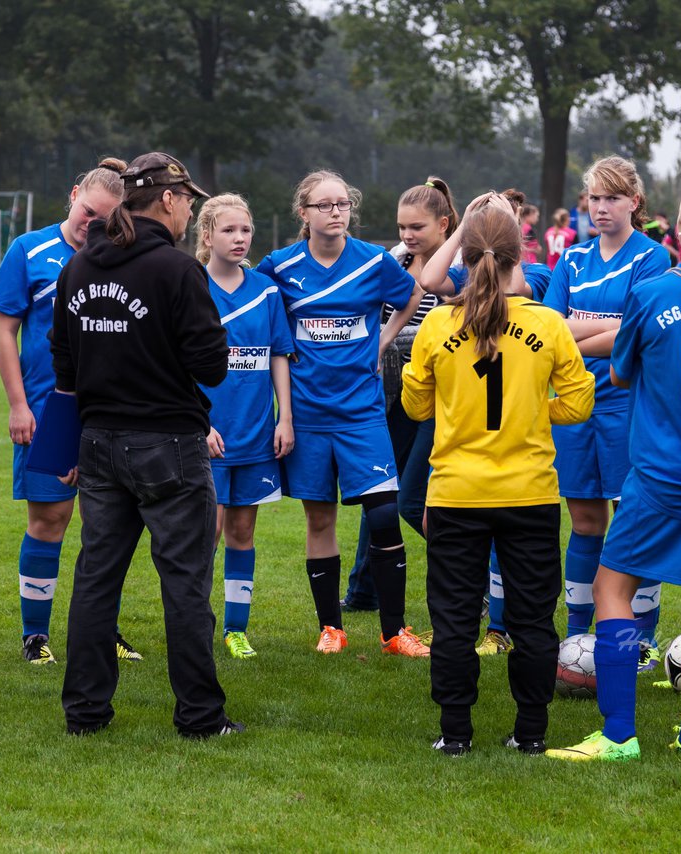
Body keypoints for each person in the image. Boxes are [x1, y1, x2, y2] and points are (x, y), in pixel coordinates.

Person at [545, 175, 681, 763]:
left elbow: (619, 372)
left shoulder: (653, 294)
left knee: (612, 588)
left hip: (666, 471)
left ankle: (619, 735)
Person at [52, 151, 240, 738]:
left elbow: (64, 363)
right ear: (167, 199)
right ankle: (201, 717)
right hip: (169, 444)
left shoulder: (79, 266)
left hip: (99, 442)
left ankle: (85, 712)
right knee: (185, 583)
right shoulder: (178, 271)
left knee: (96, 579)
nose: (188, 211)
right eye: (188, 200)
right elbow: (212, 367)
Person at [402, 199, 594, 755]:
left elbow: (415, 405)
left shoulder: (439, 323)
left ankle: (455, 735)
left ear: (463, 254)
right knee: (534, 619)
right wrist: (534, 410)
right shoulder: (547, 324)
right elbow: (579, 402)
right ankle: (531, 734)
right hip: (529, 494)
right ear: (521, 255)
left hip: (457, 494)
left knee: (455, 619)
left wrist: (453, 404)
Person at [256, 169, 428, 657]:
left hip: (362, 413)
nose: (335, 212)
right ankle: (331, 628)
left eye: (342, 205)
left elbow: (411, 295)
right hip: (308, 415)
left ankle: (394, 632)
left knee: (385, 514)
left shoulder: (373, 261)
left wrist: (384, 338)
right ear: (304, 214)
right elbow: (258, 311)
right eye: (325, 205)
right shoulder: (279, 266)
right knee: (319, 520)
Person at [0, 157, 143, 665]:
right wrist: (17, 405)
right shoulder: (28, 250)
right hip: (49, 408)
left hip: (114, 409)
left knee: (111, 525)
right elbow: (4, 331)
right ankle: (36, 636)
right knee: (50, 517)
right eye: (87, 211)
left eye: (105, 219)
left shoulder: (127, 257)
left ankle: (103, 631)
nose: (91, 224)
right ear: (73, 195)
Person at [543, 156, 671, 663]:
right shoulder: (572, 260)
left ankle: (640, 638)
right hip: (574, 405)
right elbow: (550, 326)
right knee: (585, 520)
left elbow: (633, 337)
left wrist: (581, 330)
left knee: (635, 518)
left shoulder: (652, 259)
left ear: (634, 202)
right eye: (594, 198)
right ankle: (578, 635)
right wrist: (607, 330)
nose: (600, 208)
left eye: (612, 198)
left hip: (628, 404)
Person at [342, 177, 457, 615]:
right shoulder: (395, 257)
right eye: (402, 227)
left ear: (444, 225)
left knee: (410, 499)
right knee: (379, 487)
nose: (408, 235)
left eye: (417, 228)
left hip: (438, 391)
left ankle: (480, 578)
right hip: (391, 388)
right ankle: (363, 592)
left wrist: (394, 340)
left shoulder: (458, 263)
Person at [195, 193, 295, 659]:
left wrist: (285, 418)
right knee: (204, 535)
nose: (239, 239)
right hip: (208, 434)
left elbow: (278, 354)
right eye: (229, 230)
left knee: (242, 532)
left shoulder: (267, 291)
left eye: (245, 230)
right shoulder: (190, 286)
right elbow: (177, 363)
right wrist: (197, 422)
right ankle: (195, 623)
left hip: (257, 431)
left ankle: (236, 629)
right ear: (207, 235)